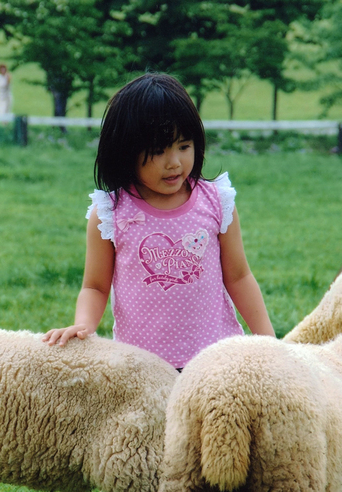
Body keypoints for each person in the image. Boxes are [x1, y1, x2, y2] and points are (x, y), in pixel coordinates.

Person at [43, 73, 274, 370]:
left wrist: (269, 343)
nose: (174, 162)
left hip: (215, 360)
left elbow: (239, 276)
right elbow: (95, 287)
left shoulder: (217, 201)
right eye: (158, 151)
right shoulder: (111, 213)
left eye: (183, 146)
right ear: (126, 151)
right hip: (142, 366)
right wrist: (83, 327)